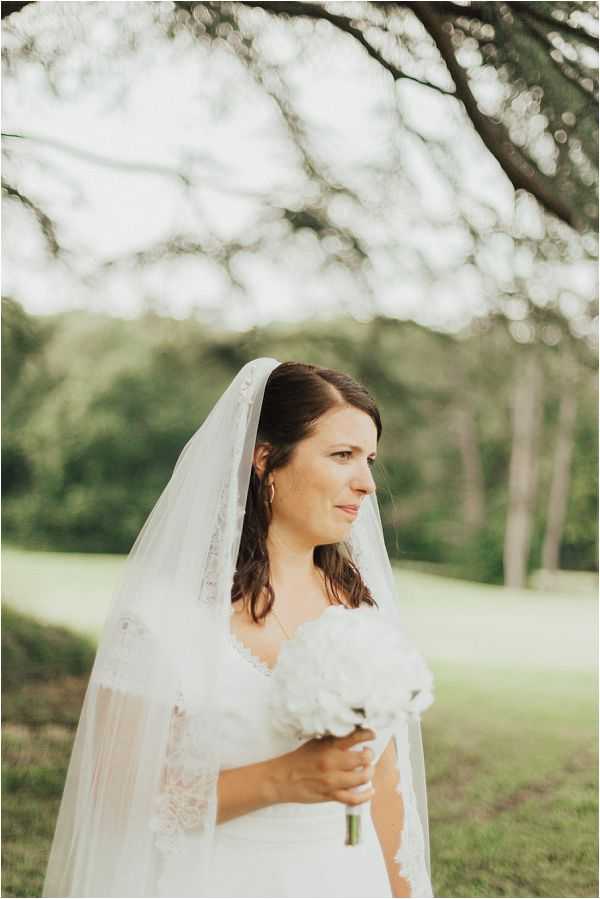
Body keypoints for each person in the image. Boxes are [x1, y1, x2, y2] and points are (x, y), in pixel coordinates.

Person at [43, 358, 434, 898]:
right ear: (265, 460)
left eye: (368, 459)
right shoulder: (167, 617)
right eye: (342, 455)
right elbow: (112, 797)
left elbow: (387, 792)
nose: (366, 482)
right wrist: (281, 780)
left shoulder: (362, 612)